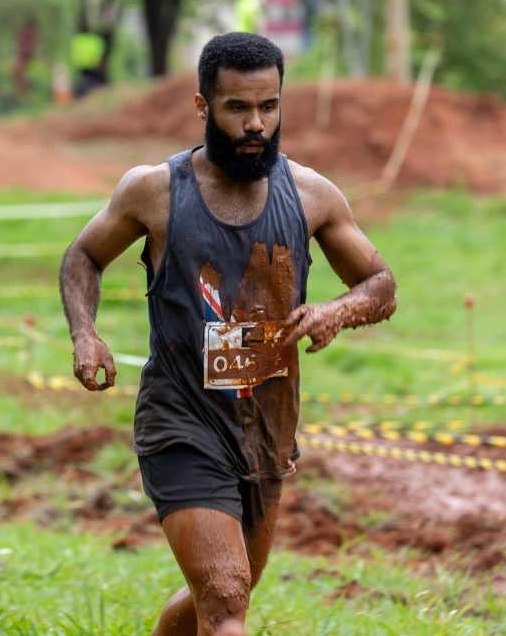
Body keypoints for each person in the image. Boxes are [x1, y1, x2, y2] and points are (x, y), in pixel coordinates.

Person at [59, 32, 396, 635]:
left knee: (220, 599)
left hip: (267, 428)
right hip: (181, 419)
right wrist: (85, 333)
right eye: (237, 107)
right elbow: (84, 255)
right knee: (225, 596)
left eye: (269, 107)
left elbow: (380, 284)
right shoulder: (155, 191)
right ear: (203, 106)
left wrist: (337, 311)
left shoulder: (312, 195)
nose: (256, 125)